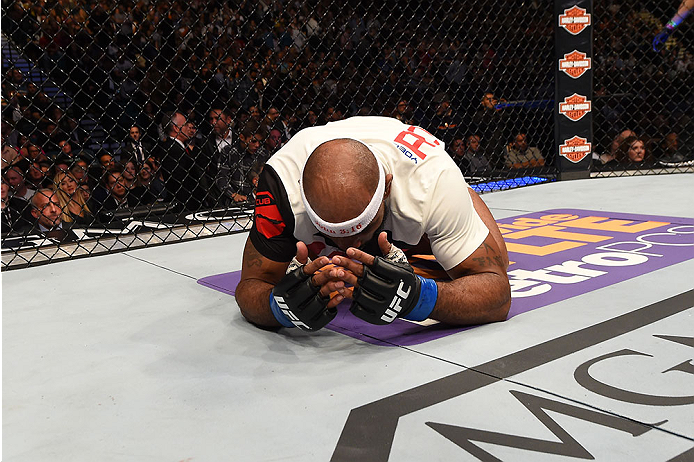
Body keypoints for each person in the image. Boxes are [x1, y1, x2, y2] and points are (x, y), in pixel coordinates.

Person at [235, 116, 510, 332]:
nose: (348, 247)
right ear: (303, 200)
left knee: (500, 258)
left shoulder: (432, 182)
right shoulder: (281, 187)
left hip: (415, 187)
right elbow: (250, 285)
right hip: (383, 207)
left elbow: (497, 295)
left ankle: (456, 204)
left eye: (360, 230)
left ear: (387, 189)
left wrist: (417, 297)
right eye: (331, 234)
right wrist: (278, 308)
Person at [215, 119, 269, 204]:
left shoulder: (263, 154)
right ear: (242, 137)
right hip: (236, 202)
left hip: (260, 200)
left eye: (260, 141)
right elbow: (221, 178)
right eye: (253, 141)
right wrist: (233, 194)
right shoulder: (229, 152)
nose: (257, 145)